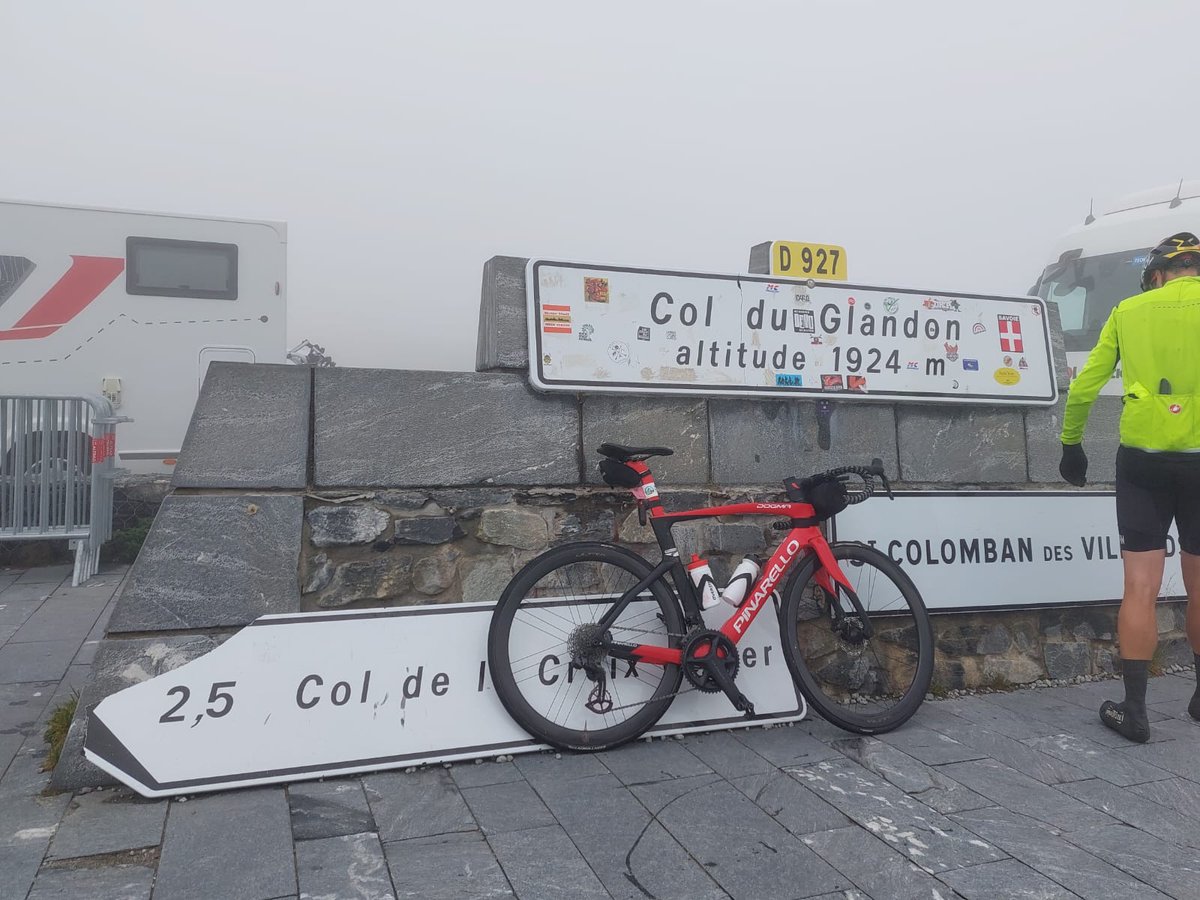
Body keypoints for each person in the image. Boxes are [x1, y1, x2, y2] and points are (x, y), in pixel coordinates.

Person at [1059, 231, 1200, 743]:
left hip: (1143, 458)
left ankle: (1135, 712)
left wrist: (1072, 444)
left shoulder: (1129, 311)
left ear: (1158, 273)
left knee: (1140, 585)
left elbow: (1083, 386)